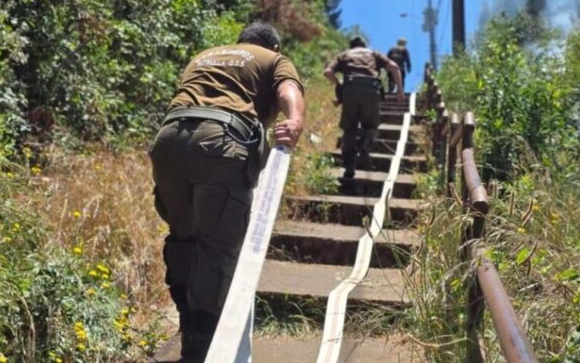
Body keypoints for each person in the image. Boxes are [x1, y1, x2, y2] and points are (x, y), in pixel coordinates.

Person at [148, 22, 305, 361]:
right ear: (273, 45)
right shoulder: (273, 59)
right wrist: (293, 119)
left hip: (169, 139)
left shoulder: (205, 56)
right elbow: (288, 89)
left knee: (183, 237)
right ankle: (201, 344)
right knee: (216, 247)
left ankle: (188, 321)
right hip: (220, 142)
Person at [324, 36, 404, 180]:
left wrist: (338, 84)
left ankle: (349, 167)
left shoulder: (344, 55)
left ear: (351, 46)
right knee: (371, 126)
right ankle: (365, 147)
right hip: (371, 90)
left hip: (350, 91)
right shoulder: (373, 53)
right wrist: (399, 90)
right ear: (364, 45)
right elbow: (394, 67)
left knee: (349, 130)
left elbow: (328, 72)